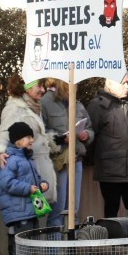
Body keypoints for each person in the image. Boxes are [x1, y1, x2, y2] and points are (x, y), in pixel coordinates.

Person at [0, 76, 57, 222]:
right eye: (39, 86)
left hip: (35, 168)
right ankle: (15, 244)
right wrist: (0, 152)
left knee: (35, 218)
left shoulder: (33, 106)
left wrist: (52, 141)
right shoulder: (15, 108)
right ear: (27, 87)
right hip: (24, 172)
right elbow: (4, 133)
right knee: (23, 219)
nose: (43, 90)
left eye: (43, 86)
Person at [87, 75, 128, 218]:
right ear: (110, 83)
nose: (127, 87)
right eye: (123, 83)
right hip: (110, 174)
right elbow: (90, 136)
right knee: (111, 216)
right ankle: (112, 241)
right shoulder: (97, 106)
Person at [0, 122, 50, 255]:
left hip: (29, 208)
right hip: (18, 210)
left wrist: (43, 184)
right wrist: (28, 188)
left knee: (31, 237)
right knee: (21, 239)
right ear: (18, 140)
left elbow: (35, 179)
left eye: (31, 137)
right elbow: (6, 182)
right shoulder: (10, 160)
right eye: (28, 137)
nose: (31, 140)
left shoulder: (27, 159)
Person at [40, 78, 94, 230]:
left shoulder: (77, 103)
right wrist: (60, 137)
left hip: (76, 160)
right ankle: (54, 254)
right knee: (57, 212)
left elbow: (90, 128)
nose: (75, 87)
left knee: (73, 211)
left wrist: (86, 135)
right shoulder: (45, 102)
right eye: (72, 83)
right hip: (58, 161)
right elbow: (39, 132)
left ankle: (71, 252)